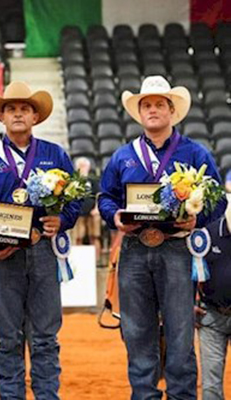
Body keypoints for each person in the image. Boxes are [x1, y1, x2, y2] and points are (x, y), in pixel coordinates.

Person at [98, 75, 227, 399]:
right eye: (147, 105)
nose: (152, 110)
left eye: (159, 104)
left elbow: (218, 201)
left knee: (181, 333)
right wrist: (114, 216)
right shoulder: (122, 157)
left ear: (172, 111)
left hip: (177, 250)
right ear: (139, 113)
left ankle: (182, 395)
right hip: (134, 249)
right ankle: (144, 395)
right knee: (138, 332)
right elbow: (105, 197)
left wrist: (197, 219)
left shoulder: (195, 154)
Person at [0, 81, 81, 399]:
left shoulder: (54, 154)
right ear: (1, 117)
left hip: (43, 251)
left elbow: (75, 199)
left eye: (24, 109)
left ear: (35, 117)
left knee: (45, 336)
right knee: (9, 337)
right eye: (11, 109)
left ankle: (47, 396)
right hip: (5, 257)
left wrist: (63, 220)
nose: (18, 114)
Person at [195, 207, 231, 400]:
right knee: (210, 387)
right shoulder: (207, 235)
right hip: (211, 315)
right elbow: (191, 269)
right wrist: (191, 300)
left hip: (213, 314)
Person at [71, 157, 101, 260]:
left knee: (94, 237)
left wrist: (97, 209)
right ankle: (77, 261)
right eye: (80, 166)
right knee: (78, 237)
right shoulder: (73, 180)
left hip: (92, 212)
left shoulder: (93, 180)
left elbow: (99, 195)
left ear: (88, 167)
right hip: (78, 213)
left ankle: (96, 261)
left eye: (84, 166)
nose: (82, 168)